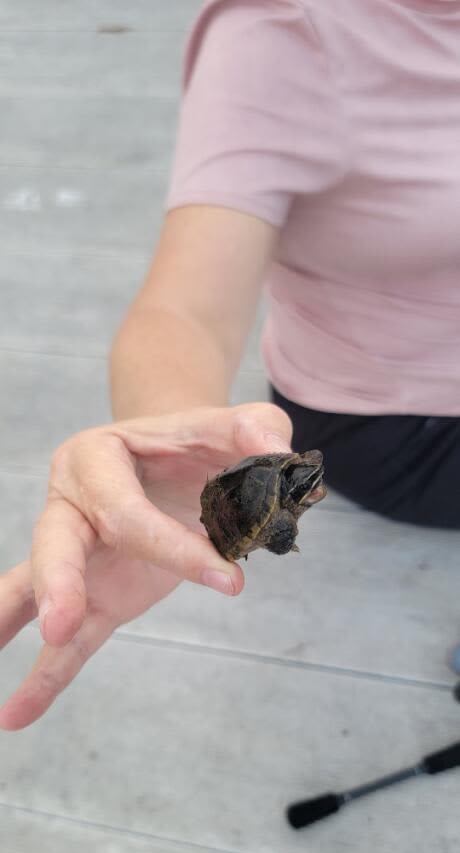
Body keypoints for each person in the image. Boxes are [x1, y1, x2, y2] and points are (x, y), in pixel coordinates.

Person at [1, 0, 459, 730]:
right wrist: (166, 446)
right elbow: (186, 310)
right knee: (293, 481)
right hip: (399, 418)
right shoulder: (284, 32)